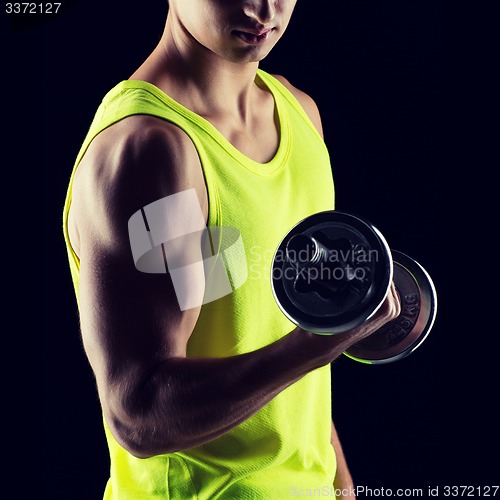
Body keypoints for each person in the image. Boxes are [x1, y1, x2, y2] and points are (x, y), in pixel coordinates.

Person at [62, 1, 401, 498]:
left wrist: (340, 484)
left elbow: (264, 342)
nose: (263, 7)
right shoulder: (153, 152)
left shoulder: (298, 114)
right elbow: (141, 414)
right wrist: (314, 347)